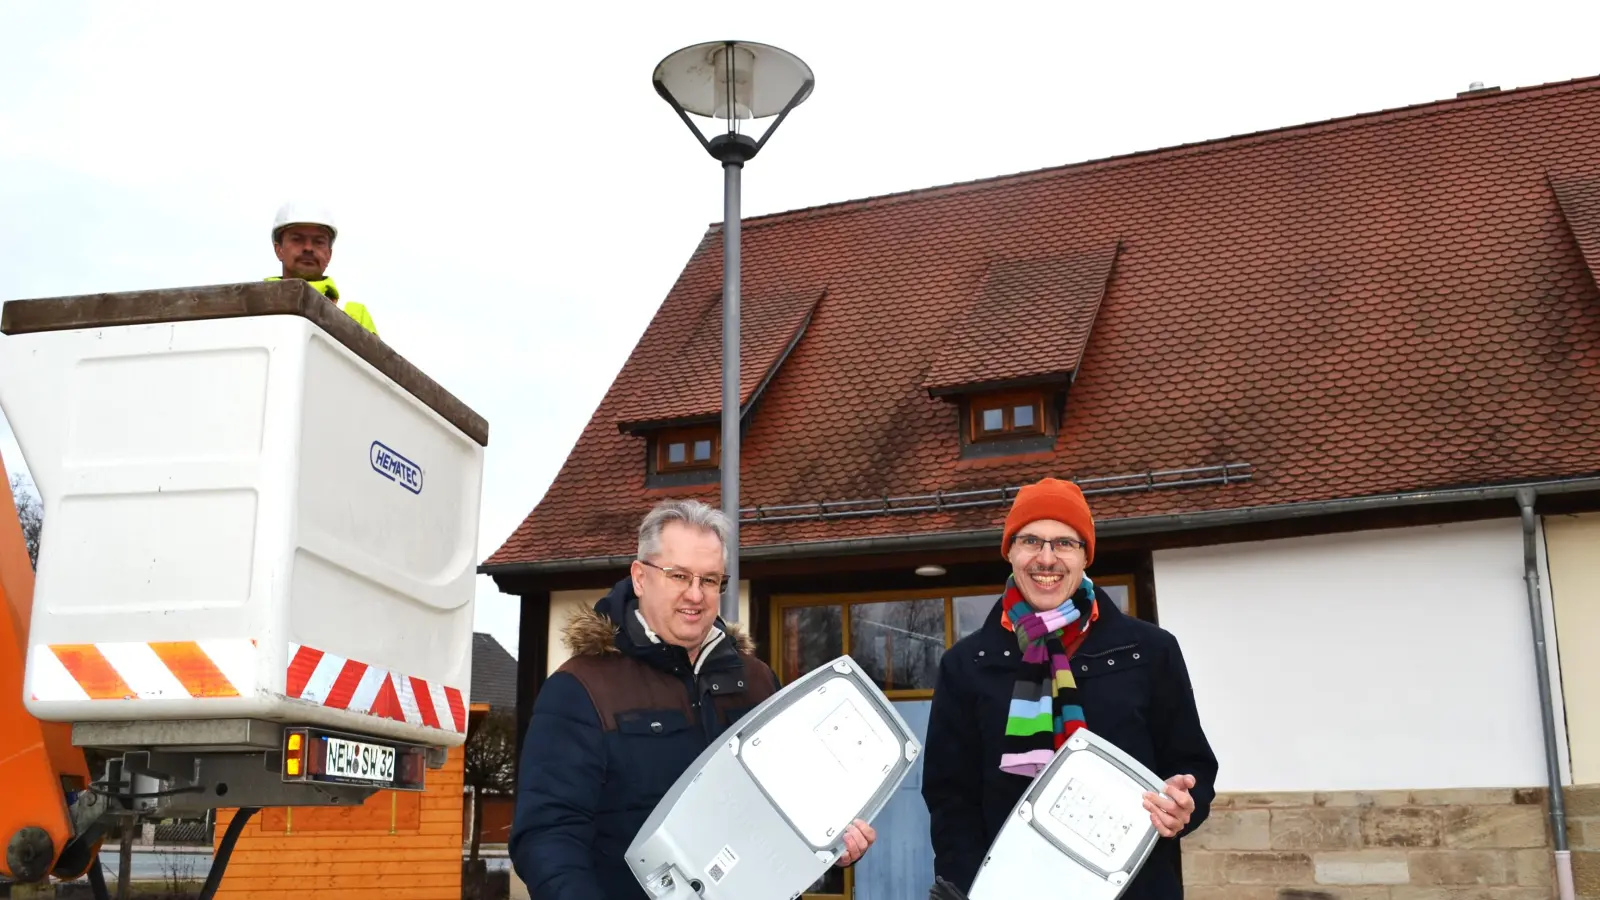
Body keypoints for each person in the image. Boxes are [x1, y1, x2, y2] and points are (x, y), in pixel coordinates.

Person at [511, 499, 877, 900]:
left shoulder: (756, 680)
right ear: (639, 577)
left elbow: (794, 802)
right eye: (679, 575)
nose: (695, 595)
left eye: (709, 580)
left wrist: (832, 841)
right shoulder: (581, 688)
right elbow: (547, 837)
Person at [921, 477, 1218, 900]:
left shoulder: (1150, 650)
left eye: (1064, 543)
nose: (1046, 558)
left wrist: (1185, 806)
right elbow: (951, 800)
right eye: (1031, 541)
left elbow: (1193, 765)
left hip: (1134, 887)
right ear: (1010, 551)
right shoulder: (967, 664)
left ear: (1085, 557)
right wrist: (974, 890)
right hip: (1013, 889)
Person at [265, 201, 378, 335]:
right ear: (279, 250)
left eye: (318, 241)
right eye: (297, 239)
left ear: (329, 255)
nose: (308, 248)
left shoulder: (355, 314)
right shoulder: (253, 304)